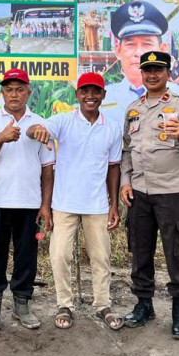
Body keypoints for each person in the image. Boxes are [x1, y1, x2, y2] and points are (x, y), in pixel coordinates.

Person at [28, 72, 124, 331]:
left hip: (97, 205)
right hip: (64, 203)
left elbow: (114, 168)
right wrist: (37, 131)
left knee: (101, 257)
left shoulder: (112, 128)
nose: (90, 96)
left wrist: (114, 204)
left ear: (103, 95)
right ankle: (65, 305)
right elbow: (34, 129)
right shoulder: (64, 121)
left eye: (95, 92)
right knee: (60, 256)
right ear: (77, 95)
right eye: (85, 91)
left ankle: (102, 304)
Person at [120, 51, 179, 340]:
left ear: (168, 73)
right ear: (142, 74)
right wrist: (125, 182)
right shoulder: (133, 109)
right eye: (147, 70)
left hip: (171, 192)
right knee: (140, 251)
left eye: (158, 70)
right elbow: (127, 152)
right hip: (140, 193)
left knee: (176, 253)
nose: (152, 75)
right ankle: (144, 304)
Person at [0, 68, 54, 331]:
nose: (14, 94)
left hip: (29, 203)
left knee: (26, 256)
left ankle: (22, 306)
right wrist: (0, 139)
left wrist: (45, 205)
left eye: (19, 89)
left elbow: (47, 167)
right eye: (9, 89)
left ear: (28, 92)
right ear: (2, 92)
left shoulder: (40, 122)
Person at [103, 0, 179, 126]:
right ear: (118, 51)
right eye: (130, 45)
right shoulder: (103, 98)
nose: (139, 53)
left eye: (147, 44)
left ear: (163, 50)